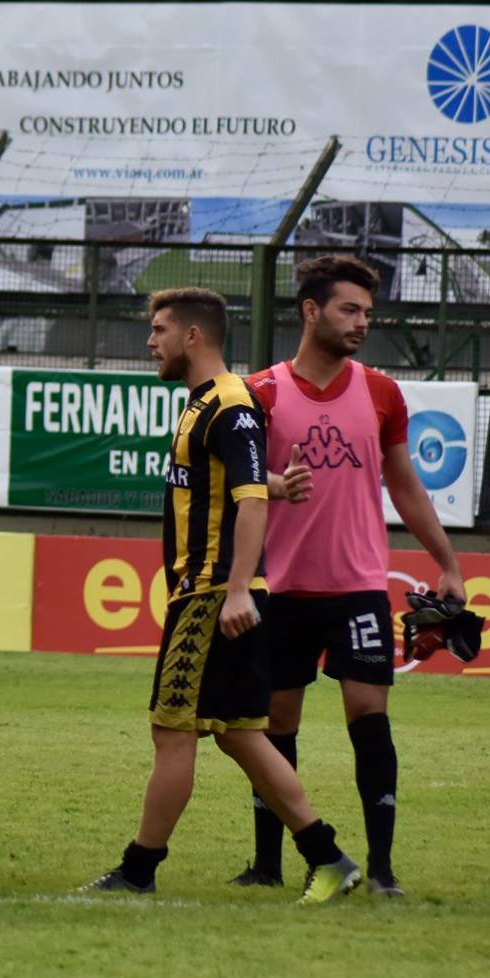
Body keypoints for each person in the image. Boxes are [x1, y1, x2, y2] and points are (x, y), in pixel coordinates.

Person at [83, 287, 362, 902]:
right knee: (239, 734)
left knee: (173, 732)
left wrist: (237, 589)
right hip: (214, 592)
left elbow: (248, 503)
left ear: (192, 337)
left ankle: (138, 869)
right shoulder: (207, 404)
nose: (149, 341)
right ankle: (330, 857)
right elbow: (243, 481)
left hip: (211, 595)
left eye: (158, 330)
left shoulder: (230, 404)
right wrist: (272, 483)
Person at [232, 255, 468, 897]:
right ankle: (267, 865)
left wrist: (447, 563)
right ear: (311, 311)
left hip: (359, 589)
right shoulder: (261, 393)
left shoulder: (382, 393)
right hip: (278, 591)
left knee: (370, 721)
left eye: (368, 311)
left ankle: (384, 869)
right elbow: (233, 486)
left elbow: (406, 485)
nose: (363, 322)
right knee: (275, 730)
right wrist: (275, 487)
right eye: (350, 309)